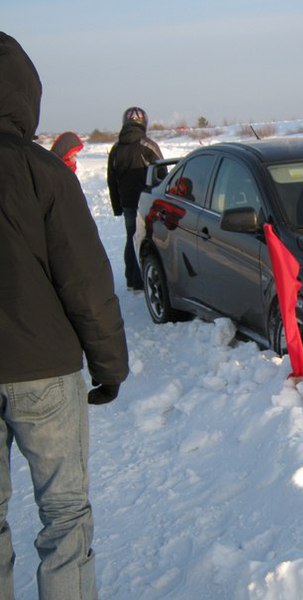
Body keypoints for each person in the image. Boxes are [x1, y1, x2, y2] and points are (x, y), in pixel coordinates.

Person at [0, 32, 129, 600]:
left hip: (41, 373)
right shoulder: (43, 172)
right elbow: (84, 281)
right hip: (44, 375)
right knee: (66, 517)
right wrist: (110, 366)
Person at [107, 106, 163, 290]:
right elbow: (162, 172)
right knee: (148, 240)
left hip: (127, 204)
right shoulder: (148, 145)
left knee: (132, 237)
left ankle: (132, 280)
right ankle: (145, 279)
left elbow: (111, 180)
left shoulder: (116, 149)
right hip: (147, 202)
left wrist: (117, 206)